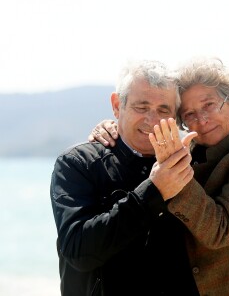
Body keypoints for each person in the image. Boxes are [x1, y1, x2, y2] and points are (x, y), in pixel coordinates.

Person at [90, 57, 229, 295]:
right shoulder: (198, 148)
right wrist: (120, 128)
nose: (201, 119)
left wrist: (173, 171)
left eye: (209, 105)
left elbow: (220, 230)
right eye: (188, 114)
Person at [50, 60, 200, 296]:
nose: (152, 120)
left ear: (175, 116)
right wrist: (154, 191)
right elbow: (78, 251)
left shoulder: (190, 163)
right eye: (141, 107)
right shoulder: (78, 164)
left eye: (163, 110)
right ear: (117, 105)